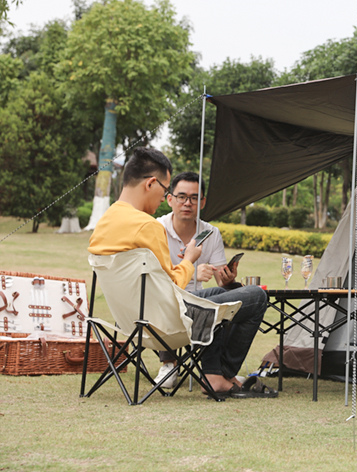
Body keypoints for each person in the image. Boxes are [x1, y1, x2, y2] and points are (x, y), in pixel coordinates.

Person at [88, 147, 270, 397]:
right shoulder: (147, 226)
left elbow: (158, 282)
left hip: (133, 322)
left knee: (218, 291)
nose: (164, 198)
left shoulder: (104, 223)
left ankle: (215, 373)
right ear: (151, 183)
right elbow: (173, 284)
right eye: (165, 191)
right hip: (168, 323)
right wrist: (191, 260)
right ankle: (219, 375)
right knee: (257, 297)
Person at [154, 171, 240, 386]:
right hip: (165, 299)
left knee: (234, 296)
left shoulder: (210, 233)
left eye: (194, 198)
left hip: (199, 300)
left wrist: (227, 278)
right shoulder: (156, 229)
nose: (187, 203)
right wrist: (192, 269)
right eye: (182, 197)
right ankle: (168, 363)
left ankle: (219, 370)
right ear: (170, 199)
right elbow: (154, 276)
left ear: (202, 202)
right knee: (164, 297)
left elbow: (220, 280)